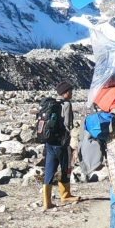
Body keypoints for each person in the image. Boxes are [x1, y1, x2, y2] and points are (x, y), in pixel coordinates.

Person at [42, 80, 80, 210]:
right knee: (65, 167)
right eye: (70, 91)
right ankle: (65, 194)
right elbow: (68, 124)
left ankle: (46, 201)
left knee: (49, 168)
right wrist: (72, 140)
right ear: (65, 92)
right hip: (61, 142)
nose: (71, 93)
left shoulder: (50, 104)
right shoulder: (66, 104)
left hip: (49, 142)